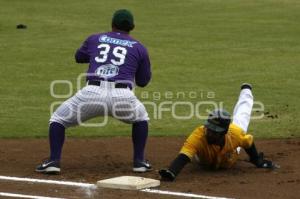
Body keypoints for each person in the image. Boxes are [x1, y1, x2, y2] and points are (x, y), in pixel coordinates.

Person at [36, 9, 152, 174]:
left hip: (92, 93)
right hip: (123, 97)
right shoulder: (140, 48)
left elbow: (78, 57)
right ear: (132, 27)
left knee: (58, 119)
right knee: (141, 119)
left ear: (112, 24)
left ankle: (53, 161)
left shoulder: (95, 39)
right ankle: (139, 162)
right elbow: (143, 81)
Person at [159, 83, 278, 181]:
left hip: (231, 151)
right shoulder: (199, 135)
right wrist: (171, 172)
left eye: (214, 131)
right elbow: (184, 156)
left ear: (224, 132)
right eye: (209, 128)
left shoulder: (235, 134)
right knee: (197, 148)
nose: (209, 132)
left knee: (243, 116)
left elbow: (249, 142)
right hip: (203, 159)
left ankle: (246, 91)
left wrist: (257, 160)